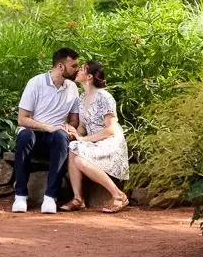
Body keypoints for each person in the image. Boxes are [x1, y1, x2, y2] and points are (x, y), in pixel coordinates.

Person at [12, 47, 80, 214]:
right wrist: (48, 127)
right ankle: (20, 196)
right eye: (74, 65)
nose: (77, 69)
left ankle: (50, 197)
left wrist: (69, 128)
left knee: (60, 136)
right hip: (34, 134)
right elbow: (22, 119)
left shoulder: (72, 87)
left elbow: (74, 120)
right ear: (60, 66)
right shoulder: (35, 83)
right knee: (25, 135)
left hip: (55, 139)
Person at [60, 60, 129, 214]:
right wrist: (74, 132)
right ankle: (78, 199)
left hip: (110, 141)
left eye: (82, 69)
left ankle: (119, 195)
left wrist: (83, 139)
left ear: (89, 76)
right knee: (73, 147)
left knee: (77, 157)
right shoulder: (82, 97)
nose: (77, 71)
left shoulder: (104, 97)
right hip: (93, 141)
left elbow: (110, 129)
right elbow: (83, 127)